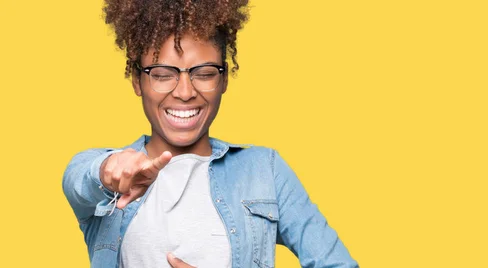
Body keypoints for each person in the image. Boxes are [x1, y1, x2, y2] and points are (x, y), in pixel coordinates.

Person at [62, 0, 358, 267]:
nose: (185, 92)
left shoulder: (264, 170)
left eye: (204, 73)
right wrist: (108, 170)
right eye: (163, 74)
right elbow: (79, 180)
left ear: (224, 79)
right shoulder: (104, 175)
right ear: (137, 80)